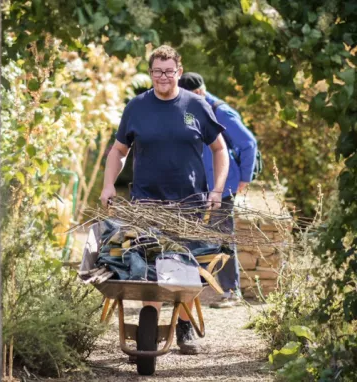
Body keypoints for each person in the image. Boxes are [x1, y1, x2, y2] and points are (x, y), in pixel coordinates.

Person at [100, 45, 229, 355]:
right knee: (150, 269)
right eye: (157, 71)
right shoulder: (137, 107)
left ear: (178, 72)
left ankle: (183, 327)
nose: (163, 77)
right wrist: (107, 185)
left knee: (185, 268)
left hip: (189, 204)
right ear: (151, 72)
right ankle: (151, 324)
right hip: (147, 205)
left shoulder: (196, 106)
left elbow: (220, 149)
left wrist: (217, 190)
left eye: (169, 71)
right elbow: (119, 151)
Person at [178, 72, 258, 308]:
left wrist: (245, 178)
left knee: (222, 235)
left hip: (222, 185)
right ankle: (189, 285)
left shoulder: (221, 111)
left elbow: (249, 143)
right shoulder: (189, 109)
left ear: (200, 92)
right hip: (198, 185)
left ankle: (232, 292)